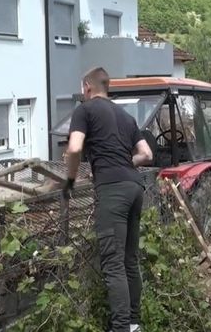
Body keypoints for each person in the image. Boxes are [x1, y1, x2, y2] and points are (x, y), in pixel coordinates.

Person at [63, 67, 153, 332]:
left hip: (113, 190)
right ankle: (134, 323)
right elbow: (146, 154)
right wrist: (127, 162)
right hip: (135, 187)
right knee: (129, 260)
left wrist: (69, 180)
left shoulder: (84, 110)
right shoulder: (125, 116)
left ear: (87, 87)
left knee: (113, 263)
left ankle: (121, 327)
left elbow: (75, 147)